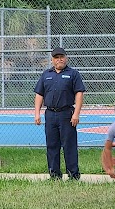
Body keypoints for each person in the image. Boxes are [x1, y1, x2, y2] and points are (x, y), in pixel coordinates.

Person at [33, 47, 86, 180]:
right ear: (52, 60)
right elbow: (39, 95)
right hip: (50, 114)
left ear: (66, 58)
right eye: (56, 58)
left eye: (61, 57)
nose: (59, 60)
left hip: (66, 114)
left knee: (69, 145)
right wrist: (37, 113)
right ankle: (54, 174)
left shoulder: (73, 74)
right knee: (52, 145)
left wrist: (76, 114)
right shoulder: (46, 74)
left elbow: (79, 94)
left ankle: (73, 174)